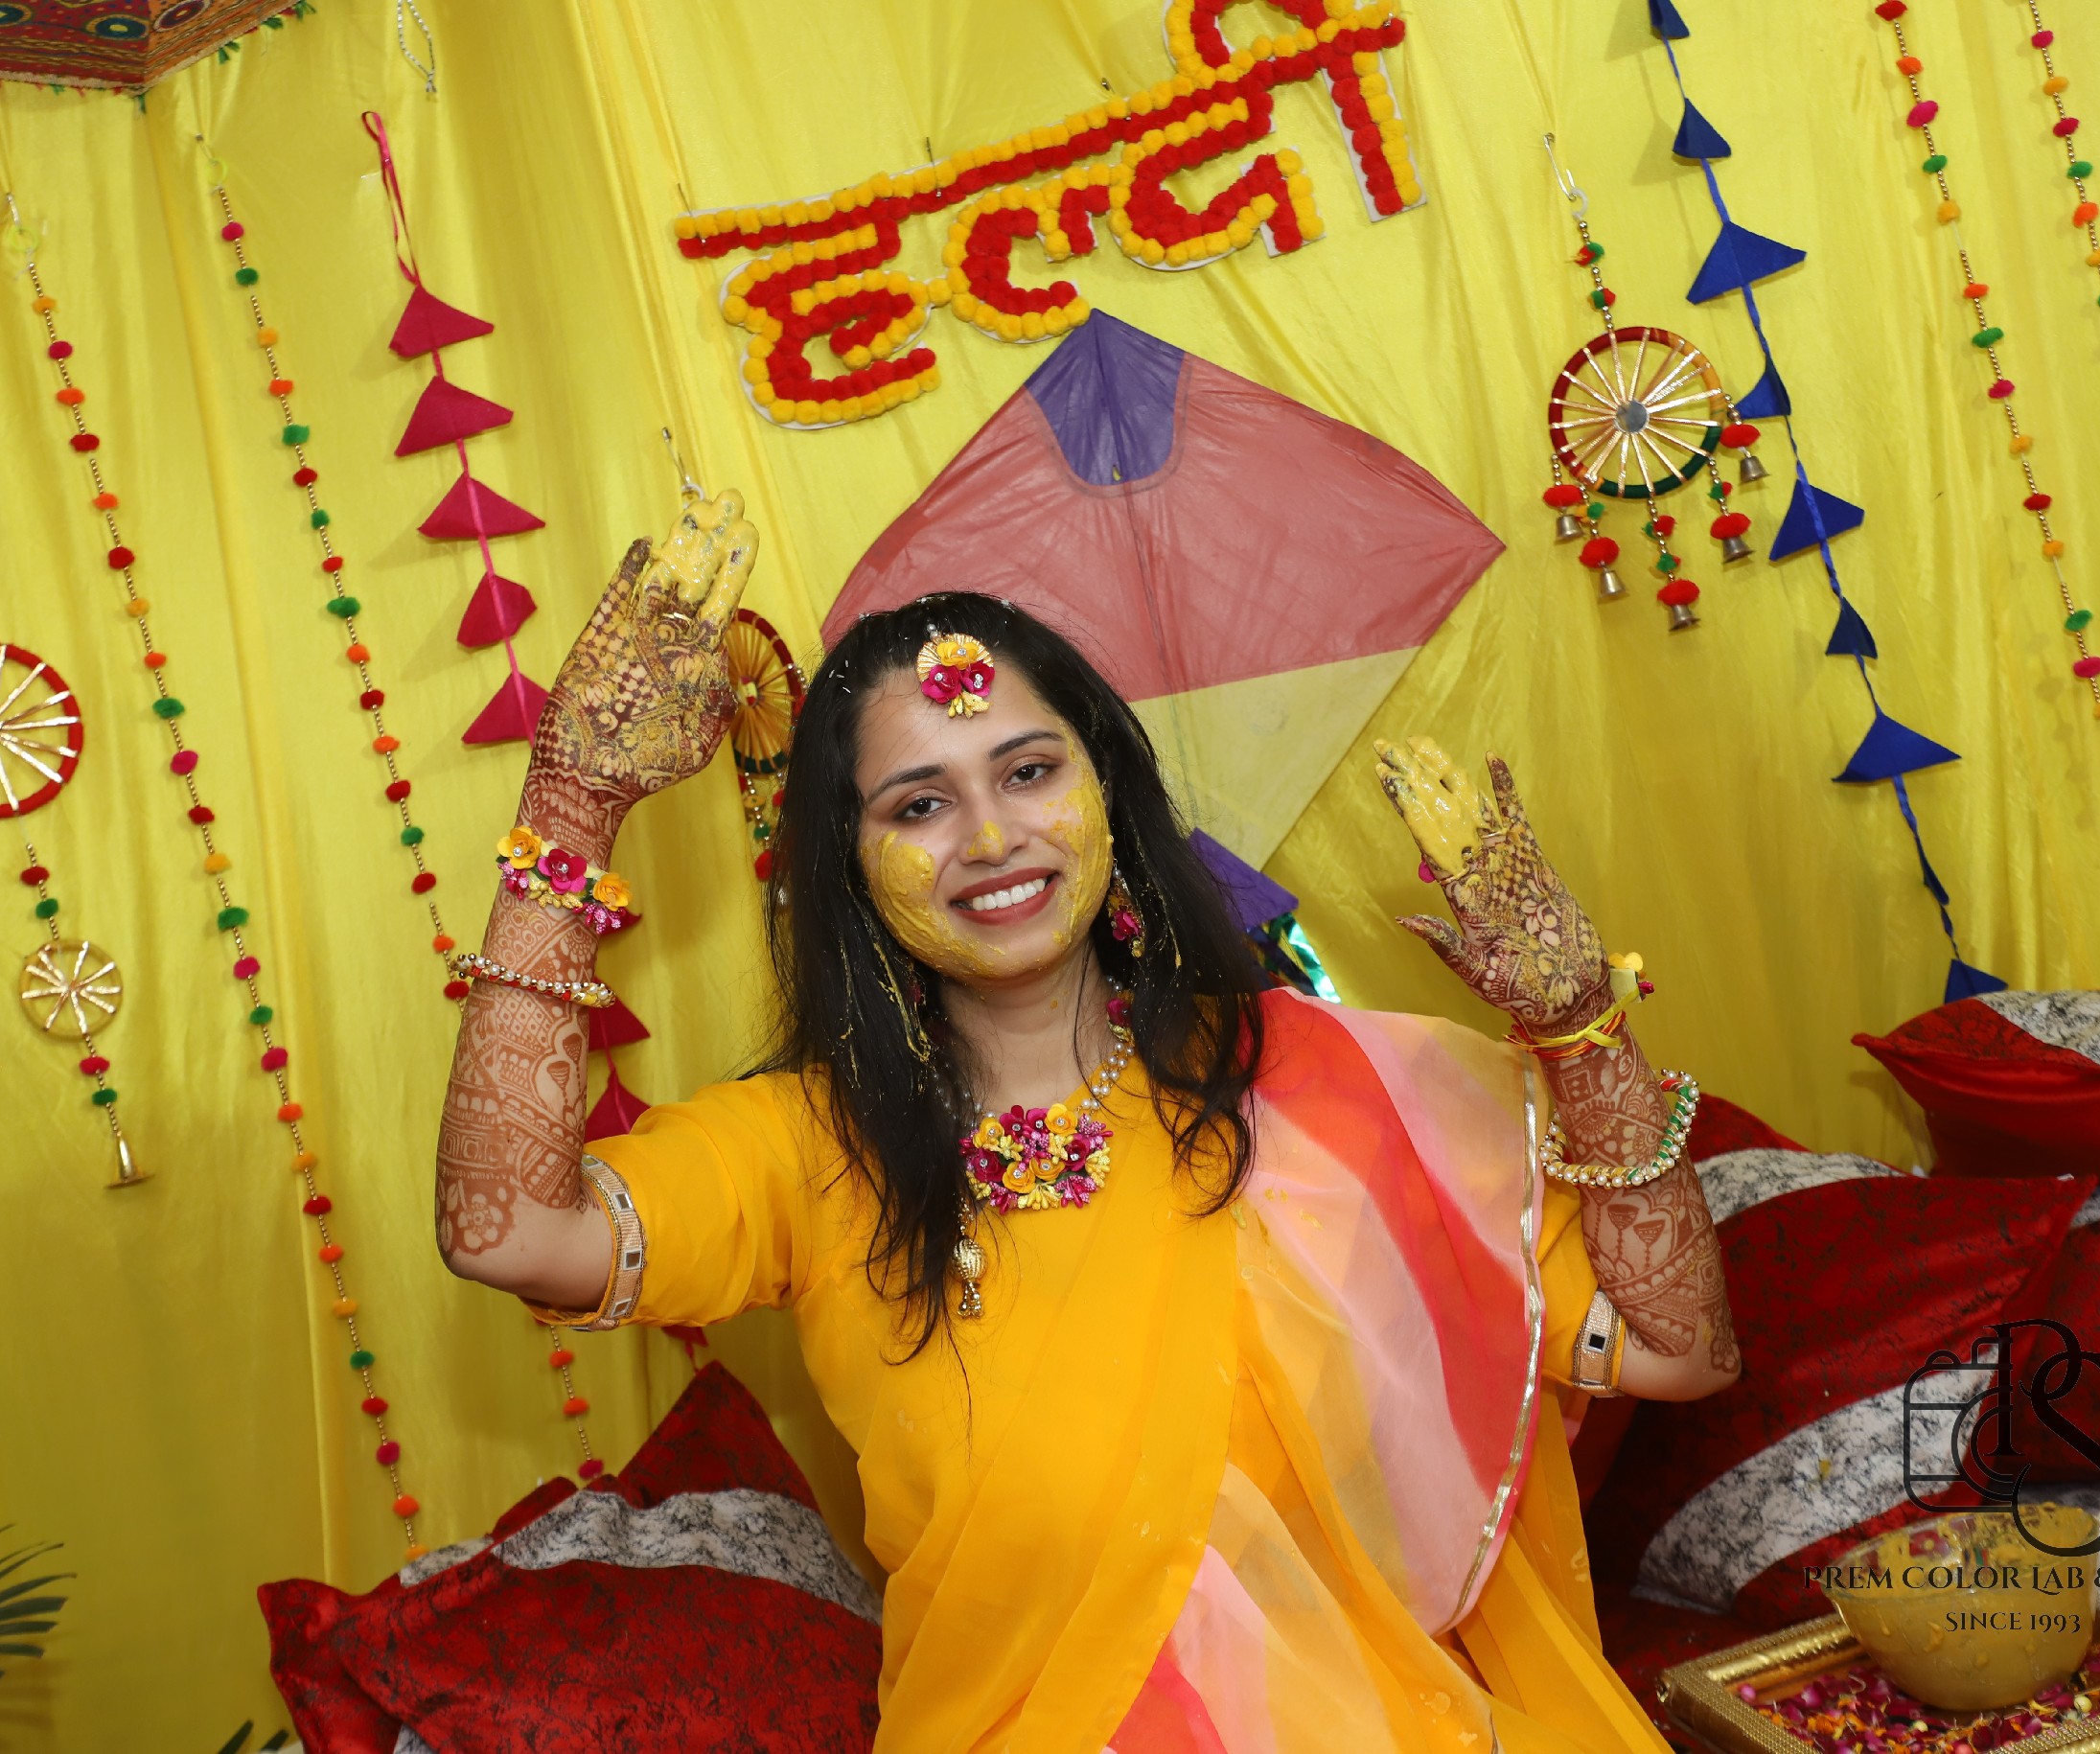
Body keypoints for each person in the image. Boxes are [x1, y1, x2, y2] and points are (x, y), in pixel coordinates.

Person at [434, 488, 1742, 1753]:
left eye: (1027, 770)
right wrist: (572, 804)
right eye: (919, 803)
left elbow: (1678, 1351)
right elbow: (507, 1231)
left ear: (1106, 788)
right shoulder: (808, 1148)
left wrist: (1585, 1034)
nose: (989, 837)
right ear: (849, 861)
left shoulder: (1308, 1086)